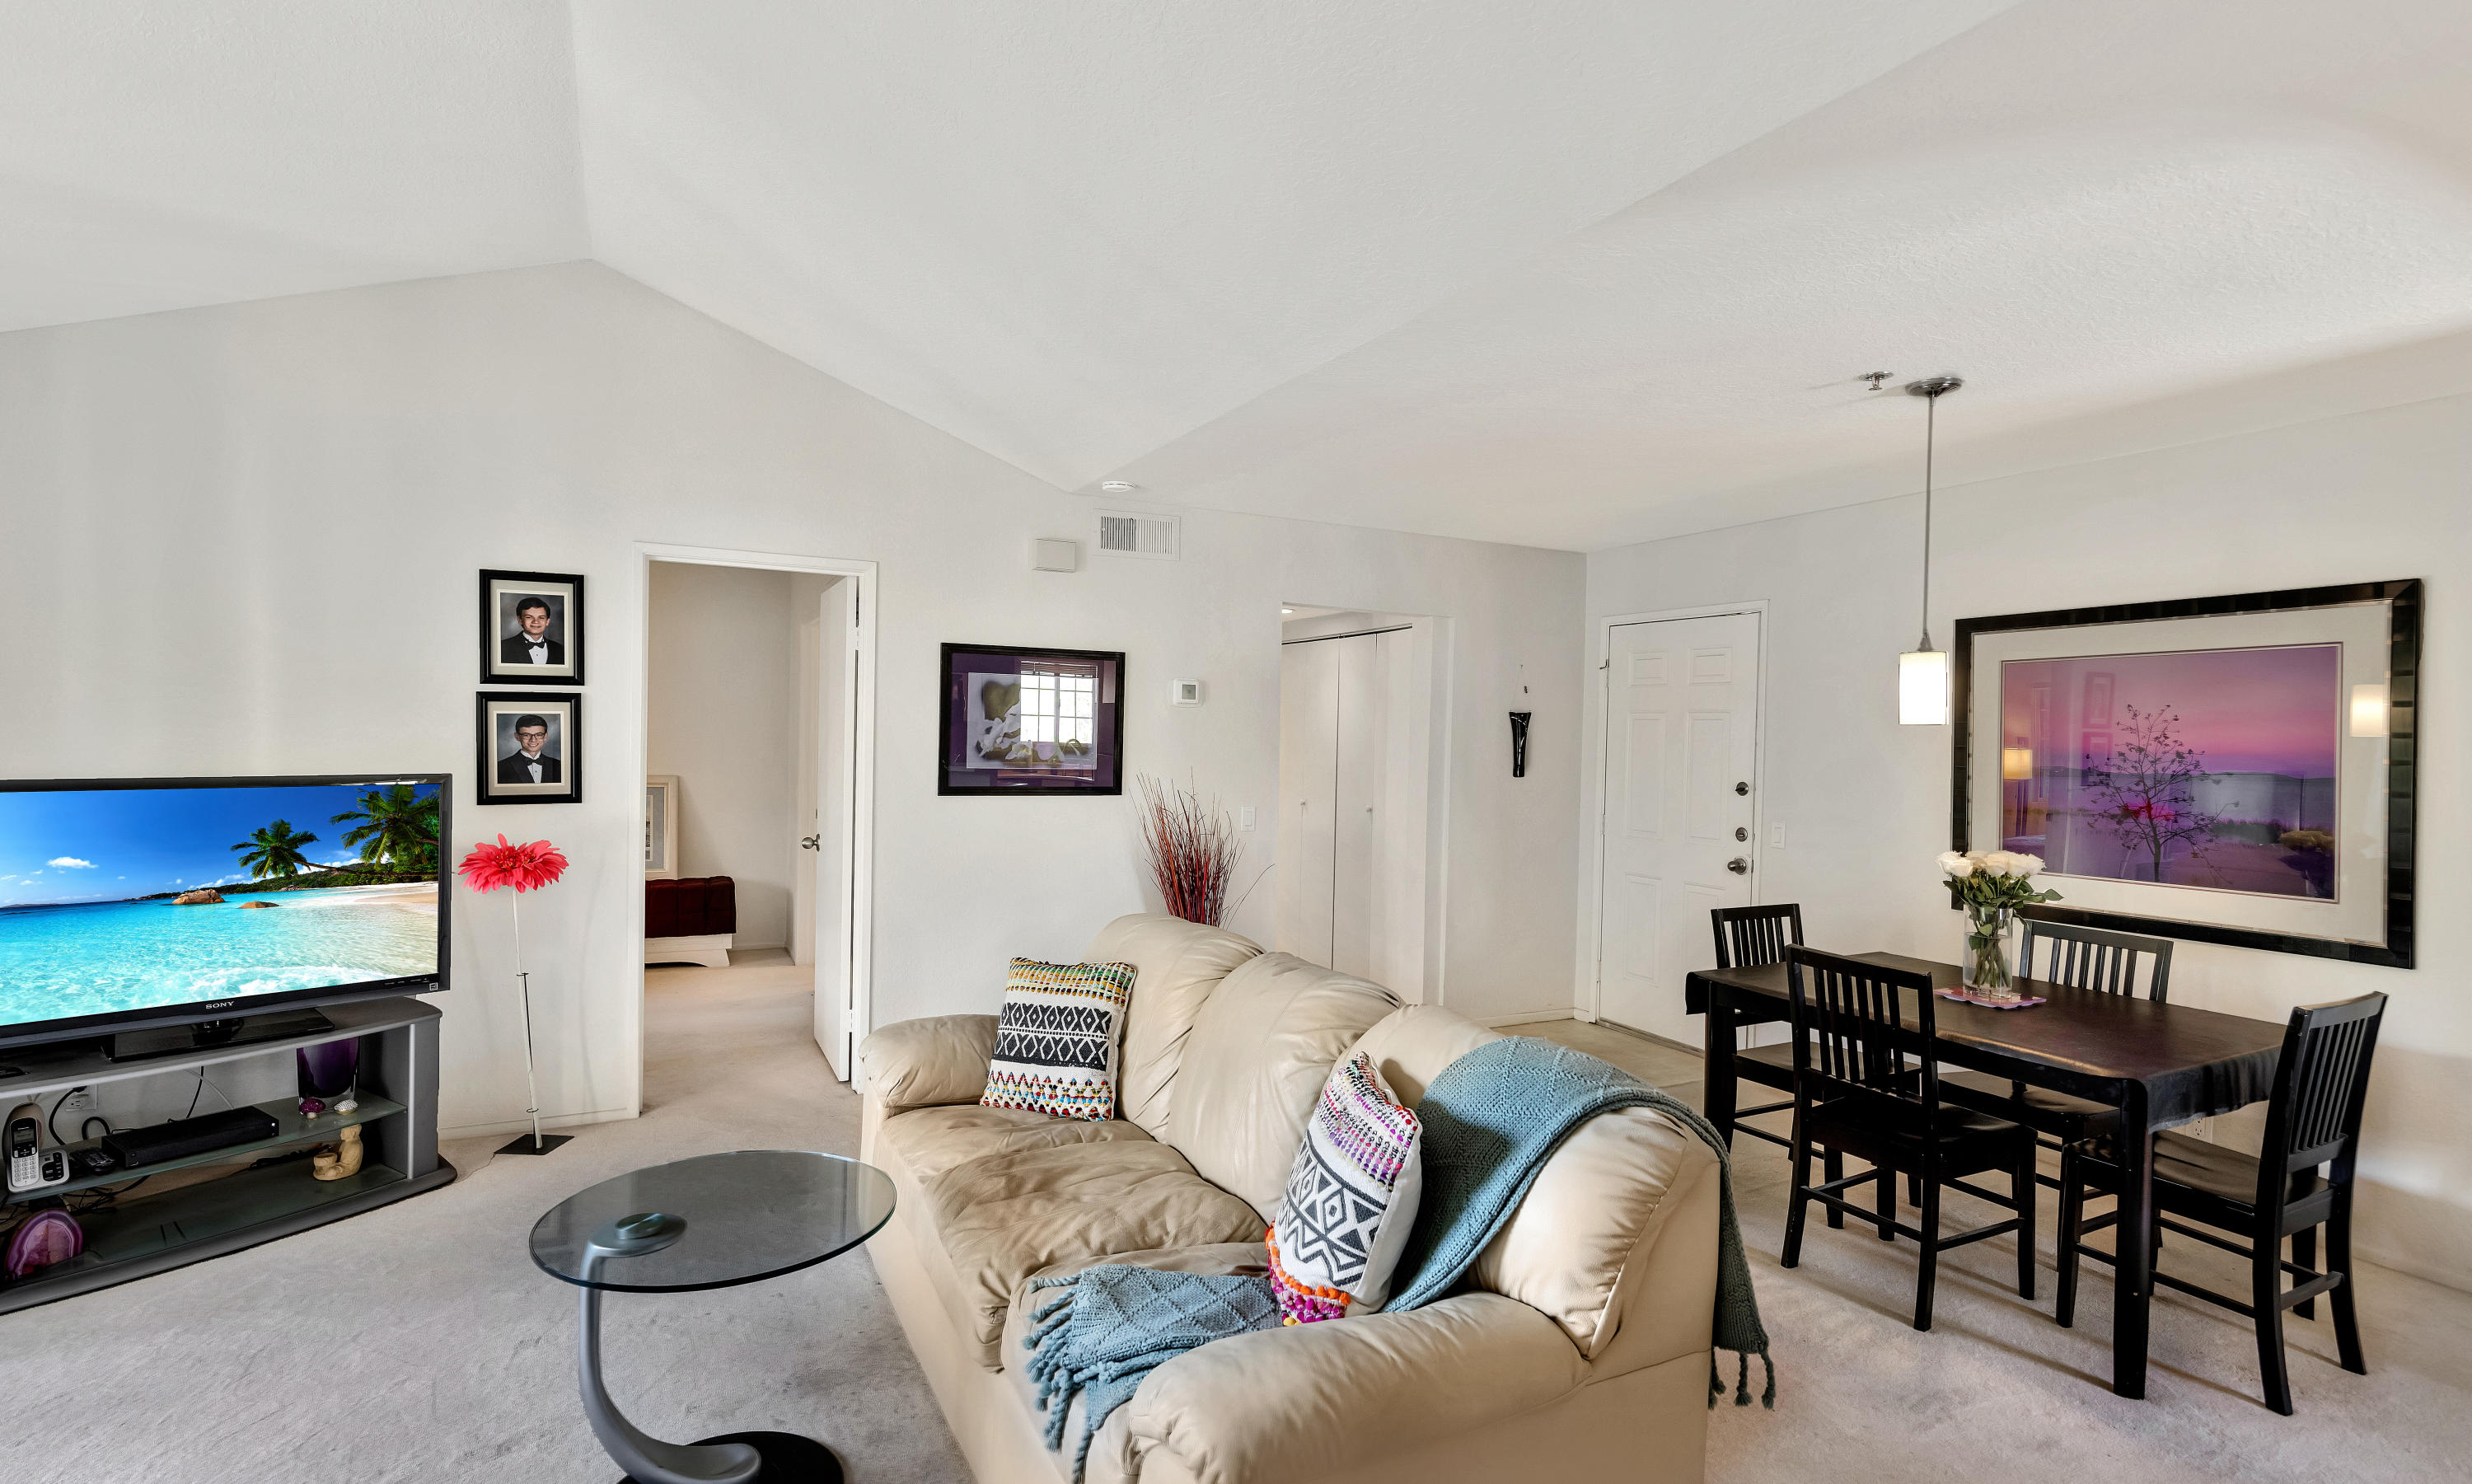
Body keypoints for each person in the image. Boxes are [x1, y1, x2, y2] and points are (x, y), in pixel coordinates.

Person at [499, 596, 564, 667]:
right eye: (529, 617)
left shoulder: (560, 649)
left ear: (547, 622)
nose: (535, 621)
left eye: (541, 618)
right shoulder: (503, 647)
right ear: (520, 620)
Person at [497, 715, 562, 785]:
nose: (533, 740)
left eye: (539, 735)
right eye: (526, 735)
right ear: (517, 737)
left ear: (545, 736)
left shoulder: (559, 765)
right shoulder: (501, 767)